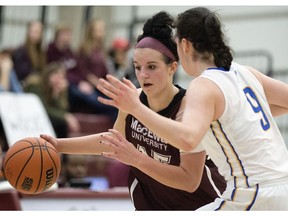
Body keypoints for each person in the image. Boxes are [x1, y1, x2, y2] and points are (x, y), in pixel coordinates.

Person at [96, 7, 288, 210]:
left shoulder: (203, 84)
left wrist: (135, 108)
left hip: (252, 194)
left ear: (185, 45)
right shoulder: (245, 72)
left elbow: (187, 139)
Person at [40, 11, 226, 210]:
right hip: (151, 204)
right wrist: (59, 145)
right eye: (138, 67)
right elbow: (113, 143)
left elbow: (189, 181)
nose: (143, 75)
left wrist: (136, 158)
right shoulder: (133, 98)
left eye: (152, 67)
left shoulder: (189, 108)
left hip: (200, 205)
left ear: (172, 67)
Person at [25, 62, 80, 138]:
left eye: (61, 77)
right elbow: (42, 109)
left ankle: (61, 147)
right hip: (31, 118)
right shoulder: (36, 85)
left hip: (46, 117)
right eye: (55, 75)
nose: (58, 79)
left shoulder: (59, 88)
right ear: (47, 75)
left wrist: (56, 94)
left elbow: (63, 109)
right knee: (58, 120)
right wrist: (65, 117)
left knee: (61, 123)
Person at [12, 20, 46, 88]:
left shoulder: (41, 52)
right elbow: (22, 72)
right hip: (23, 84)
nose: (34, 35)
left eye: (37, 32)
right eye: (31, 31)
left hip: (38, 81)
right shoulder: (21, 51)